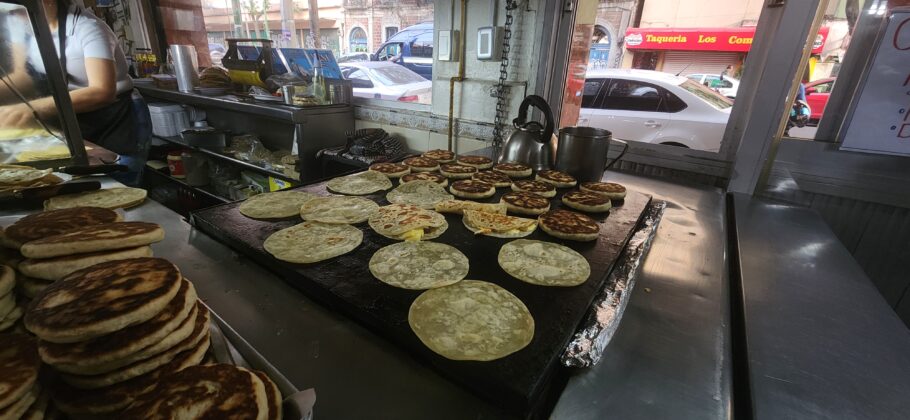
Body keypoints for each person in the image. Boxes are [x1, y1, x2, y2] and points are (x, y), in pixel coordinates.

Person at [0, 0, 150, 184]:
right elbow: (23, 76)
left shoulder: (88, 28)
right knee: (81, 179)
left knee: (118, 180)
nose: (15, 16)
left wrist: (31, 109)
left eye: (19, 11)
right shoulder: (22, 21)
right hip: (71, 114)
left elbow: (102, 91)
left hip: (115, 118)